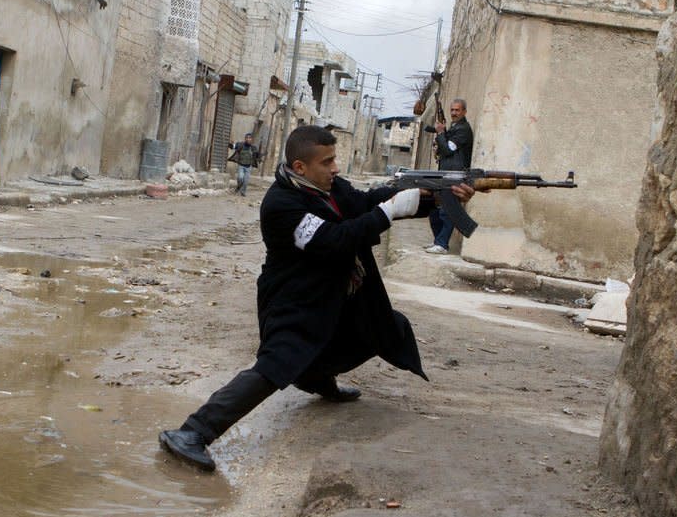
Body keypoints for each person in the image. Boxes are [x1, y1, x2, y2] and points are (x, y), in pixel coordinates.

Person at [158, 125, 474, 471]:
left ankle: (314, 376)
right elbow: (333, 241)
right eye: (327, 162)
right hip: (296, 299)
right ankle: (193, 432)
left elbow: (367, 203)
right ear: (300, 167)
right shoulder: (281, 203)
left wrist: (436, 197)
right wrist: (388, 213)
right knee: (277, 363)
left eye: (334, 159)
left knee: (384, 328)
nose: (335, 168)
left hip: (336, 293)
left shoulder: (330, 188)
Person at [425, 98, 474, 254]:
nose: (454, 113)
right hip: (446, 174)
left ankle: (442, 244)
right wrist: (441, 135)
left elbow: (448, 150)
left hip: (456, 174)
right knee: (434, 209)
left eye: (457, 110)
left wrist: (440, 134)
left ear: (464, 112)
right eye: (452, 110)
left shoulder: (463, 129)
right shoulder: (455, 127)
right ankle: (438, 241)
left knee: (448, 211)